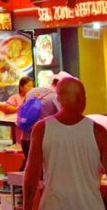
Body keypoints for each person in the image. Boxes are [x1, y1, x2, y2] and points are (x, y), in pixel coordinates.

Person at [23, 77, 107, 210]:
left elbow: (31, 177)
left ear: (59, 99)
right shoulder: (99, 132)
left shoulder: (42, 129)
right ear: (82, 98)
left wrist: (27, 207)